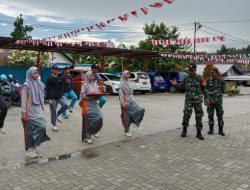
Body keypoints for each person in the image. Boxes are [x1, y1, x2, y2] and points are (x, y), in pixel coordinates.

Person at [171, 63, 206, 140]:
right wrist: (175, 84)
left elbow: (204, 88)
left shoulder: (200, 78)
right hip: (188, 100)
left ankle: (199, 133)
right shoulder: (186, 78)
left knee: (199, 116)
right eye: (189, 70)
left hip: (198, 101)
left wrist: (206, 99)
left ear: (195, 70)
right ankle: (184, 130)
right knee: (186, 115)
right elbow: (182, 87)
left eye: (191, 70)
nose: (190, 71)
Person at [21, 67, 50, 158]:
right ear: (30, 74)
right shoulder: (26, 85)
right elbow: (23, 99)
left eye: (37, 73)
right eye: (35, 73)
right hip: (30, 111)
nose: (37, 74)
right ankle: (29, 149)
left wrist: (42, 107)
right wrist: (24, 113)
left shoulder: (39, 84)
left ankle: (34, 145)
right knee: (30, 130)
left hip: (38, 110)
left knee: (42, 126)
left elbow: (42, 96)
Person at [79, 71, 103, 144]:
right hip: (87, 105)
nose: (92, 77)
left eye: (93, 75)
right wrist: (91, 97)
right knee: (88, 122)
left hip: (95, 105)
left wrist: (98, 94)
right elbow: (83, 95)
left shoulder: (95, 84)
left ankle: (94, 131)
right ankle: (87, 136)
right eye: (90, 75)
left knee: (100, 118)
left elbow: (97, 92)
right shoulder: (84, 85)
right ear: (87, 76)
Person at [118, 70, 145, 137]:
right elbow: (121, 94)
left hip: (132, 101)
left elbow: (132, 92)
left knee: (140, 110)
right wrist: (122, 102)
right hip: (125, 102)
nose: (129, 75)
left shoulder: (129, 82)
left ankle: (136, 122)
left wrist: (133, 99)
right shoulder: (121, 83)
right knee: (126, 117)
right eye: (127, 74)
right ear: (124, 75)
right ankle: (126, 131)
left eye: (129, 74)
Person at [46, 64, 68, 132]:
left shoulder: (59, 78)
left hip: (60, 97)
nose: (56, 70)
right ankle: (54, 125)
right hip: (52, 98)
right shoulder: (49, 79)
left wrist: (62, 94)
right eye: (55, 69)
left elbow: (62, 88)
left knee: (65, 105)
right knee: (53, 111)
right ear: (52, 70)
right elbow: (48, 89)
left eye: (57, 69)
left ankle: (58, 114)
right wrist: (49, 99)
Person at [204, 66, 225, 136]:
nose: (211, 74)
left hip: (218, 102)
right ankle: (211, 129)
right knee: (210, 115)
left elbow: (222, 90)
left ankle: (221, 130)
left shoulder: (221, 80)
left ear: (217, 73)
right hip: (210, 102)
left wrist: (218, 96)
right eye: (211, 73)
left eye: (213, 73)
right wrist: (206, 99)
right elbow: (205, 90)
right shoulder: (208, 80)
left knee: (220, 115)